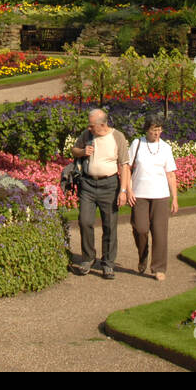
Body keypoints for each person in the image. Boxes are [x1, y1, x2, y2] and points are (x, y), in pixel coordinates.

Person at [70, 108, 132, 279]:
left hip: (109, 185)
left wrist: (124, 191)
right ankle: (88, 258)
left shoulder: (117, 137)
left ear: (102, 124)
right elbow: (74, 151)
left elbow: (125, 166)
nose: (89, 128)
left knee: (110, 226)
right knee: (85, 221)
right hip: (88, 184)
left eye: (92, 126)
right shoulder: (87, 135)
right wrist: (82, 152)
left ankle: (108, 263)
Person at [126, 113, 178, 281]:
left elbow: (170, 174)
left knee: (160, 232)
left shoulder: (166, 148)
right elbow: (127, 167)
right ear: (147, 130)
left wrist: (175, 198)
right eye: (153, 130)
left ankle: (158, 268)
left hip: (160, 195)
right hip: (139, 194)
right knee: (140, 228)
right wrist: (128, 190)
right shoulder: (137, 143)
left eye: (159, 130)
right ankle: (143, 255)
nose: (156, 133)